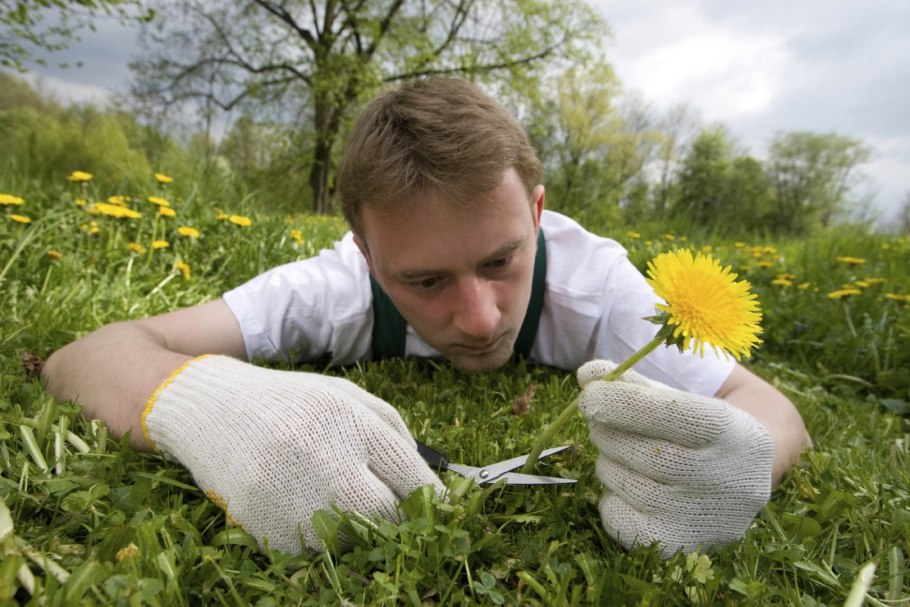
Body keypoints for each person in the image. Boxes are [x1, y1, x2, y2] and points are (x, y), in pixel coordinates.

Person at [42, 77, 811, 557]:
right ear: (364, 251)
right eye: (425, 279)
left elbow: (773, 412)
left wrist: (740, 460)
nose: (478, 317)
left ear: (538, 212)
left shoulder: (601, 286)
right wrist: (211, 405)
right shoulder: (329, 288)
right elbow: (87, 354)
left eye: (502, 261)